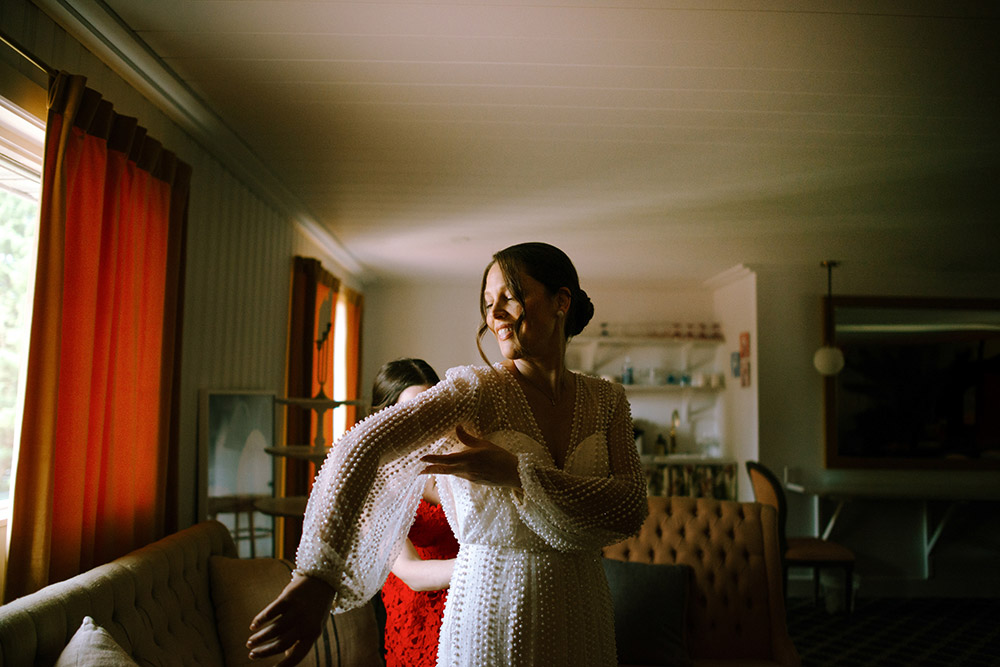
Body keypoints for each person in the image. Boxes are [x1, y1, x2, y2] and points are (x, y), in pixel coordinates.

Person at [247, 242, 648, 667]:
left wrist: (517, 472)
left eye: (509, 297)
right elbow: (362, 446)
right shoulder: (473, 391)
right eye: (488, 304)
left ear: (560, 301)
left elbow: (629, 506)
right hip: (491, 610)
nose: (494, 316)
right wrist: (317, 575)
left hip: (582, 613)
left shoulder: (607, 400)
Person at [369, 358, 459, 667]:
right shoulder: (377, 482)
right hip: (417, 616)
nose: (423, 421)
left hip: (469, 604)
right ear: (387, 416)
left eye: (430, 409)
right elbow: (410, 572)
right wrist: (486, 565)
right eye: (411, 411)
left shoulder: (456, 458)